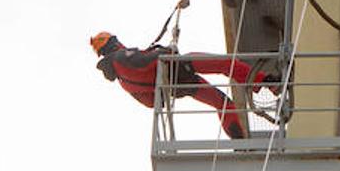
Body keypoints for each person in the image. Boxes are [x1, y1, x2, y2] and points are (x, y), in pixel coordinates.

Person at [90, 31, 276, 139]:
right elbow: (145, 61)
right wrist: (165, 51)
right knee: (225, 64)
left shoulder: (124, 83)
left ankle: (240, 143)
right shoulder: (122, 57)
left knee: (223, 104)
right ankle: (267, 82)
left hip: (181, 86)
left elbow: (151, 102)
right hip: (180, 67)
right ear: (112, 44)